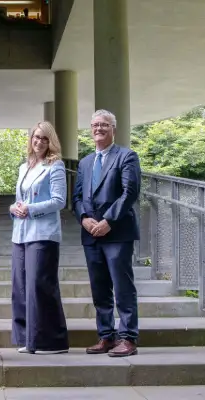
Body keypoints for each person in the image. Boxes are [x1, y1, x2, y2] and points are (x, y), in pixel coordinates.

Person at [72, 109, 141, 357]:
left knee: (122, 286)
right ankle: (106, 336)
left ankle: (128, 338)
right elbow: (77, 197)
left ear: (113, 129)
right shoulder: (85, 162)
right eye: (94, 125)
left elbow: (129, 192)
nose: (98, 129)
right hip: (91, 234)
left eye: (103, 125)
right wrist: (84, 219)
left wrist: (109, 220)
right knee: (99, 287)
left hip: (117, 232)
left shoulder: (127, 156)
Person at [9, 121, 69, 354]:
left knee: (40, 286)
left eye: (44, 138)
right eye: (36, 137)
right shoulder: (24, 167)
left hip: (43, 234)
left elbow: (59, 201)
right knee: (21, 287)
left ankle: (52, 341)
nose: (39, 142)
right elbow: (18, 199)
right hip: (21, 233)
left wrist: (31, 209)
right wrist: (14, 207)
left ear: (51, 141)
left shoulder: (56, 166)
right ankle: (28, 339)